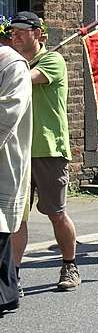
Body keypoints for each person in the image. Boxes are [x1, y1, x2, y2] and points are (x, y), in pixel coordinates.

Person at [9, 11, 80, 291]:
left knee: (56, 213)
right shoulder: (12, 63)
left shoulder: (53, 60)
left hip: (48, 149)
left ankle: (69, 265)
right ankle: (13, 276)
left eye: (21, 31)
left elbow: (25, 79)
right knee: (16, 216)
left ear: (37, 33)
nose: (14, 36)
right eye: (12, 32)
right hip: (17, 151)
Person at [0, 44, 31, 314]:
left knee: (0, 225)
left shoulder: (13, 66)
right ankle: (7, 293)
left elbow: (8, 113)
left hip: (6, 155)